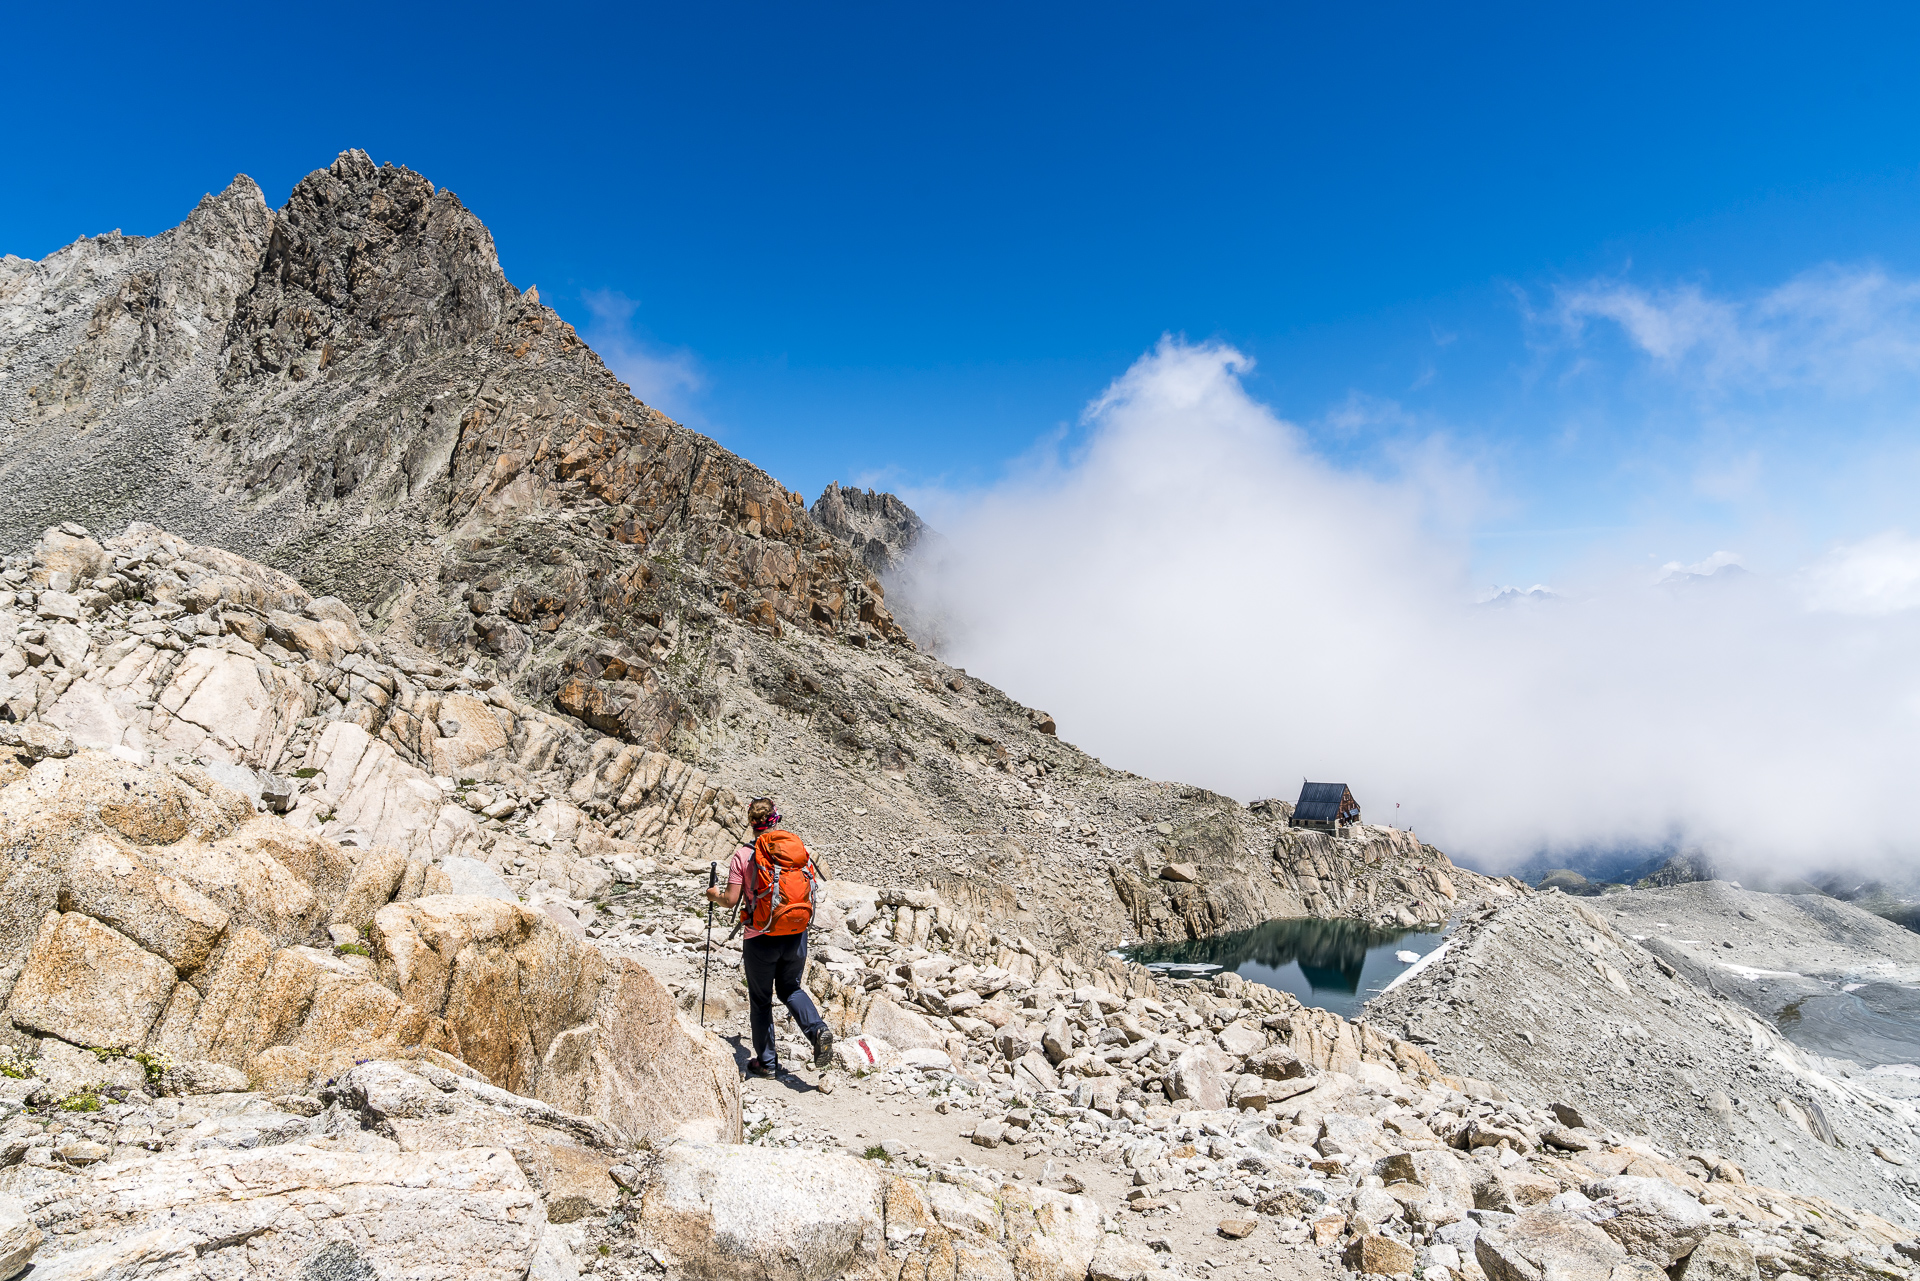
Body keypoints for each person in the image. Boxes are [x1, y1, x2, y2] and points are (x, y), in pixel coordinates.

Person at [705, 797, 835, 1077]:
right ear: (776, 819)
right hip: (796, 934)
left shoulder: (743, 855)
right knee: (791, 989)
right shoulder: (796, 850)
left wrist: (712, 895)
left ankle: (766, 1063)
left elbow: (730, 899)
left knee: (761, 999)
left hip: (760, 936)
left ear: (751, 824)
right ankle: (818, 1031)